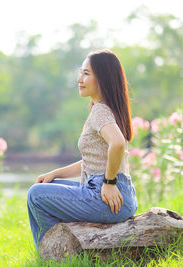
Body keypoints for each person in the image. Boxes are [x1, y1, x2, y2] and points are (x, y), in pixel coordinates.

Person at [27, 49, 138, 251]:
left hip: (107, 197)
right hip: (113, 193)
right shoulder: (105, 109)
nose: (80, 79)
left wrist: (110, 183)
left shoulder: (101, 111)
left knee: (36, 195)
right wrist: (55, 173)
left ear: (103, 78)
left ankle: (54, 254)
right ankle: (61, 249)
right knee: (48, 186)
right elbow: (93, 161)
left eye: (86, 74)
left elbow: (118, 144)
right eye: (81, 73)